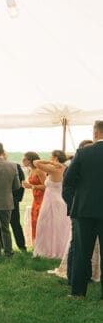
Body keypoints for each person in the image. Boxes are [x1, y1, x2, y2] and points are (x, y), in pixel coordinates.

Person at [62, 119, 103, 299]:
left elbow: (68, 183)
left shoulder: (83, 153)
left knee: (81, 253)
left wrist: (73, 205)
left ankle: (78, 292)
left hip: (84, 212)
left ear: (95, 133)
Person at [32, 150, 70, 258]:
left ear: (56, 158)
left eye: (51, 157)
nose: (49, 159)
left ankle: (49, 251)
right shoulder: (66, 168)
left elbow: (36, 162)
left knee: (47, 225)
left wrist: (51, 162)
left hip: (52, 202)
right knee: (60, 226)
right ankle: (61, 249)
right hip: (62, 201)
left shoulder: (54, 169)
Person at [4, 149, 27, 251]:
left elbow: (22, 183)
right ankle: (3, 247)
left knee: (15, 224)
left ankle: (21, 246)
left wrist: (17, 198)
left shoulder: (15, 166)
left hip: (13, 200)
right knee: (0, 226)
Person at [22, 151, 46, 243]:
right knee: (34, 221)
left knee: (40, 221)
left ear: (30, 160)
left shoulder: (39, 170)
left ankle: (42, 243)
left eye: (25, 159)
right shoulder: (31, 170)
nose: (23, 161)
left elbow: (46, 186)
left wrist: (32, 186)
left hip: (42, 198)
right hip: (35, 199)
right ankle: (36, 243)